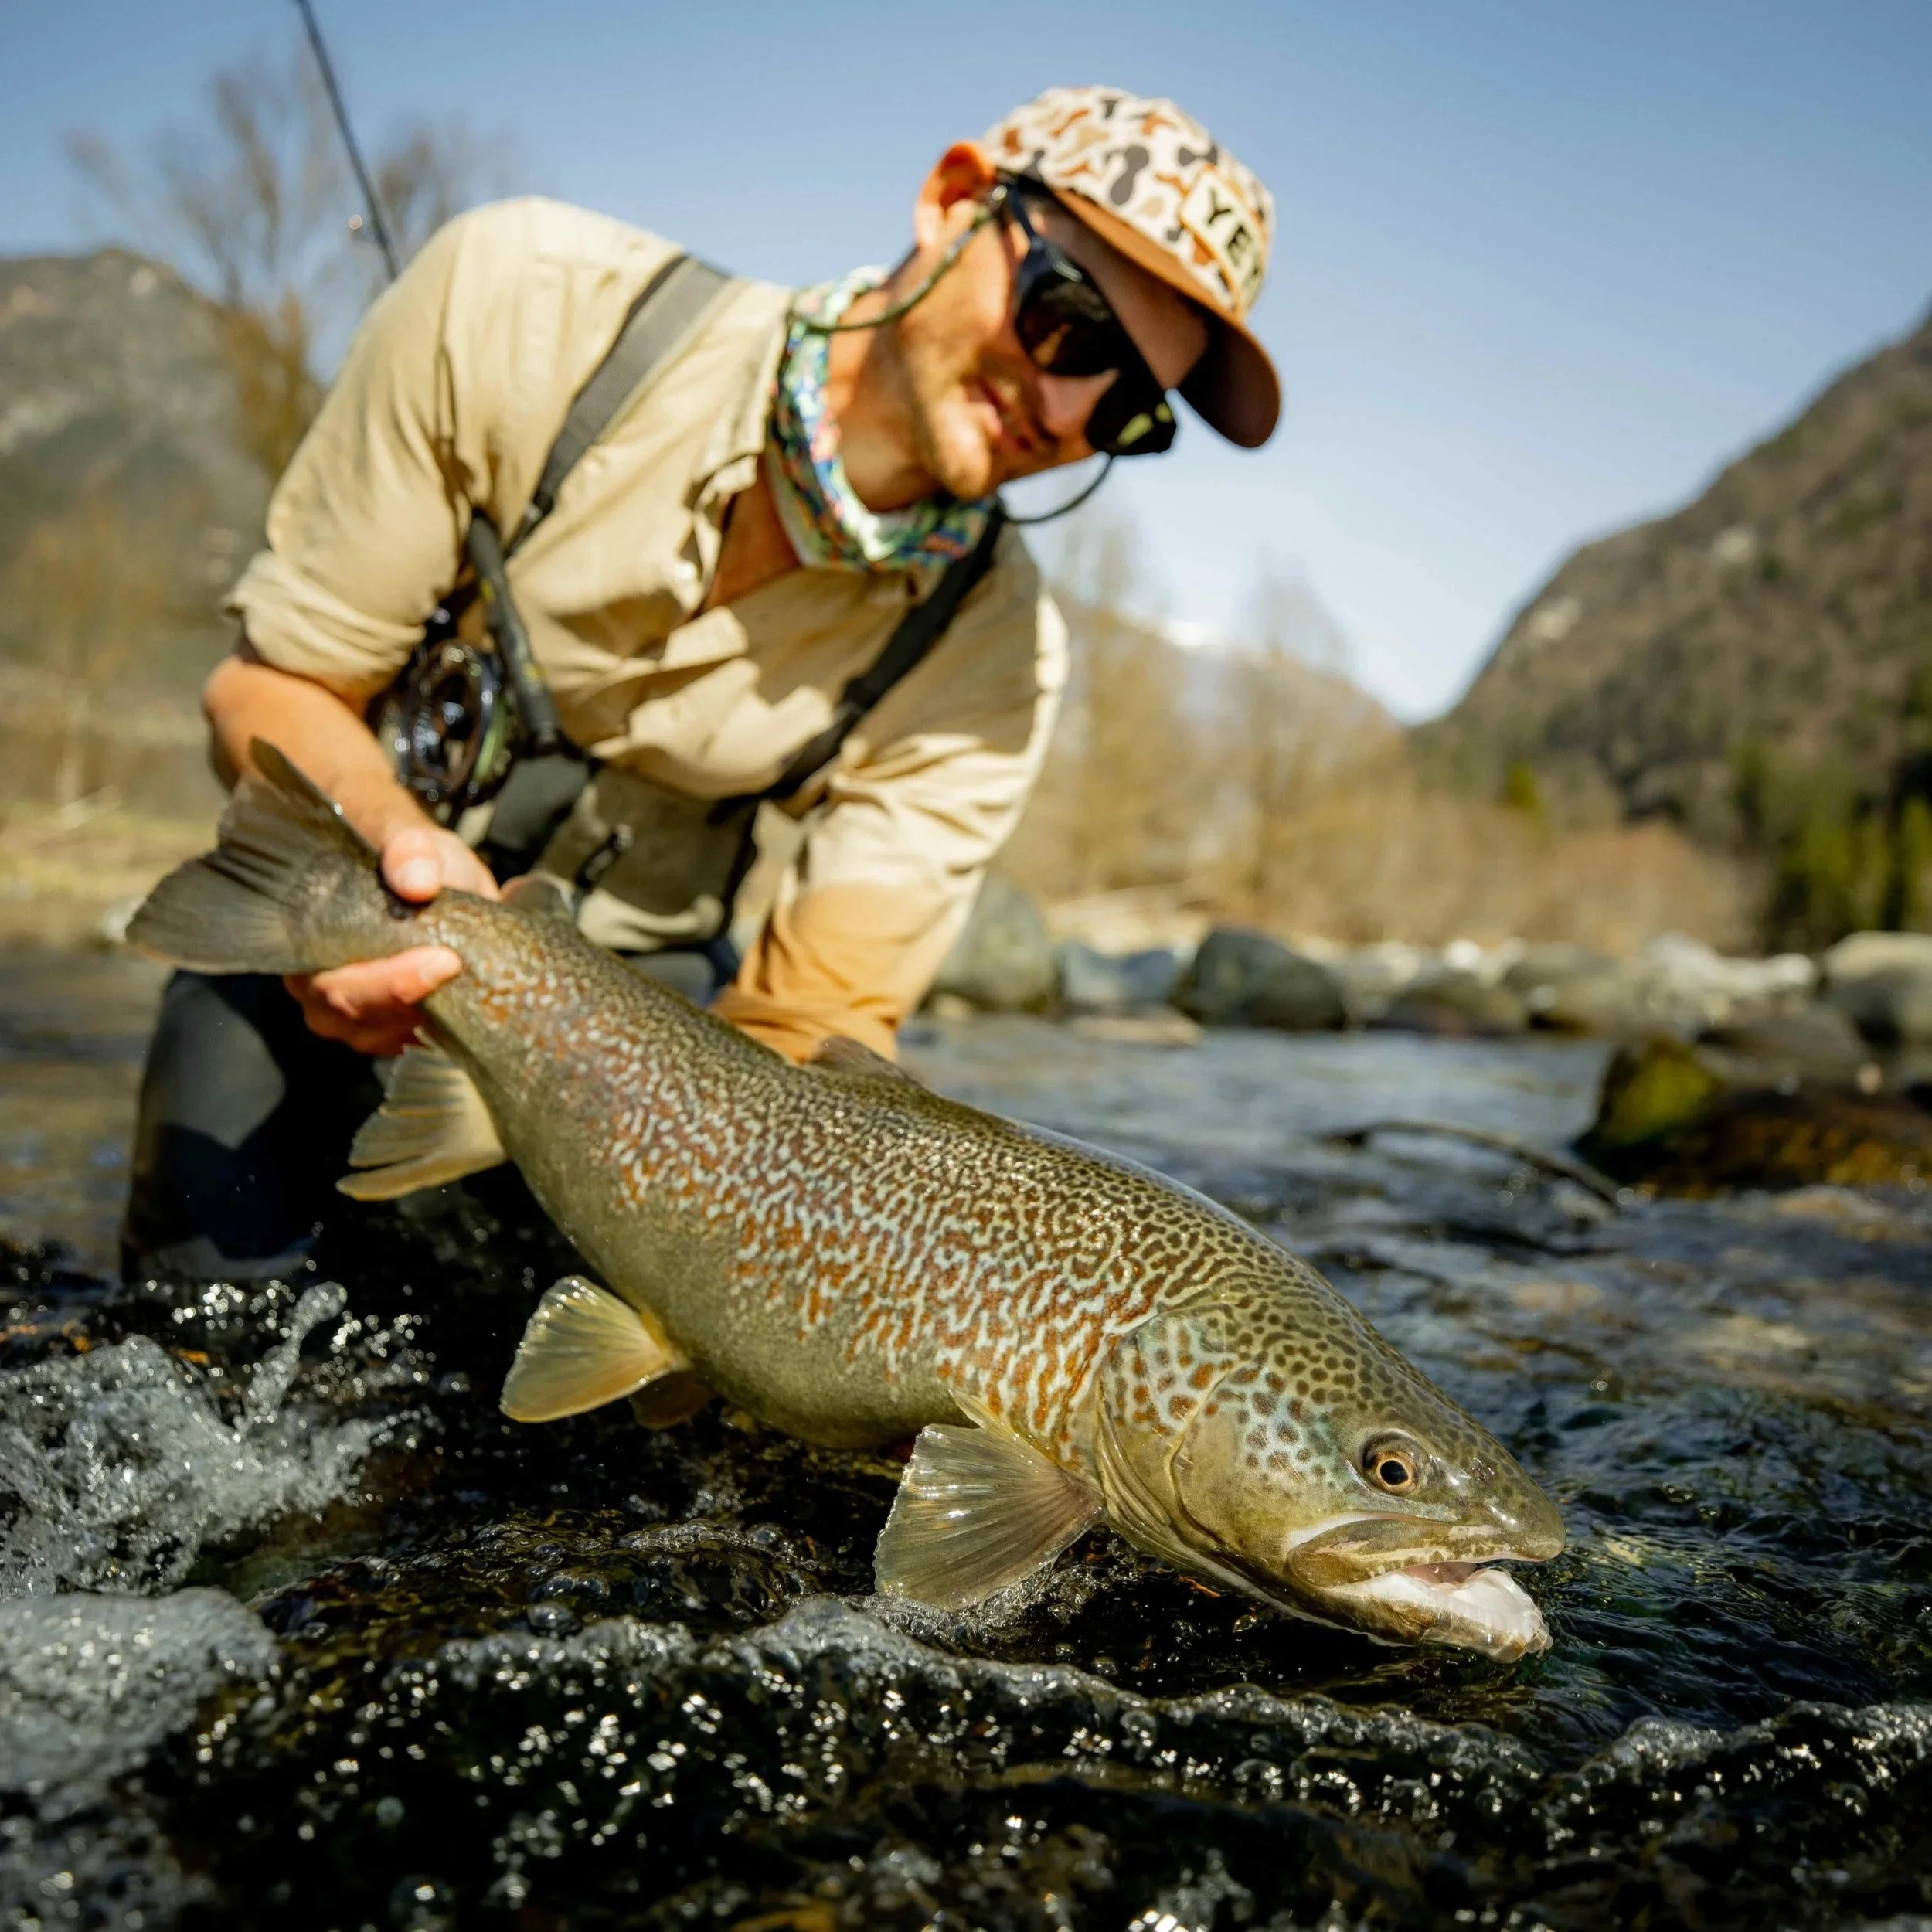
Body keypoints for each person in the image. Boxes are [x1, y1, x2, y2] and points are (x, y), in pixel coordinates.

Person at [121, 86, 1281, 1281]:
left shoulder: (992, 660)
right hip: (329, 913)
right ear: (951, 205)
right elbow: (271, 691)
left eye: (1135, 410)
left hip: (657, 1064)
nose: (1068, 409)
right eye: (1070, 322)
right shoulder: (523, 306)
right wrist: (384, 843)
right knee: (197, 1344)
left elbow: (806, 1036)